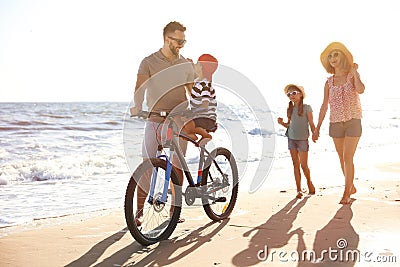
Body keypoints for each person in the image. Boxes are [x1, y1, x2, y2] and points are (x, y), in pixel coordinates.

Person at [130, 21, 195, 224]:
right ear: (167, 39)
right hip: (155, 118)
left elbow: (191, 91)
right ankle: (139, 212)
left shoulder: (185, 64)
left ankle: (174, 212)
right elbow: (140, 87)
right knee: (147, 164)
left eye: (184, 41)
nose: (182, 45)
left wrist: (196, 111)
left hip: (178, 120)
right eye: (179, 41)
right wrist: (137, 106)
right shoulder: (148, 61)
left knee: (177, 166)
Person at [313, 42, 365, 204]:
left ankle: (346, 193)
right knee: (341, 158)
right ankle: (351, 186)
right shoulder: (329, 82)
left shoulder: (351, 75)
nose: (333, 58)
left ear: (343, 56)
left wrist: (355, 72)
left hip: (353, 121)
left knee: (347, 157)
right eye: (330, 56)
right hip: (335, 123)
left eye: (336, 54)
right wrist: (317, 127)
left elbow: (361, 89)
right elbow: (324, 105)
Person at [278, 84, 316, 199]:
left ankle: (309, 183)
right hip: (291, 139)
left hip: (303, 140)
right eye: (289, 94)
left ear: (300, 94)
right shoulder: (290, 109)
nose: (291, 96)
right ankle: (299, 189)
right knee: (295, 164)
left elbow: (311, 123)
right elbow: (289, 125)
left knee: (304, 165)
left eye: (294, 93)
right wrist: (281, 123)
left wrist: (315, 133)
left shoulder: (307, 108)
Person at [180, 54, 218, 143]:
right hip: (200, 117)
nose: (195, 66)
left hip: (206, 118)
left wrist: (193, 113)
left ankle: (205, 135)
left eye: (197, 64)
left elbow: (205, 104)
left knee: (188, 123)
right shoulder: (198, 83)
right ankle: (191, 135)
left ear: (201, 68)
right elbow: (193, 95)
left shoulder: (204, 85)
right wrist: (191, 65)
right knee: (183, 127)